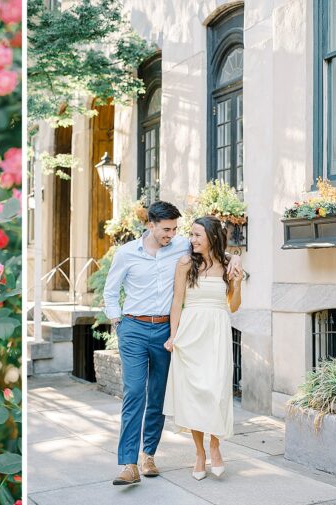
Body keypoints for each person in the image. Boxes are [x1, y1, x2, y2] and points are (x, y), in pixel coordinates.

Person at [102, 201, 243, 486]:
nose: (172, 234)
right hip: (134, 327)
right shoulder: (127, 253)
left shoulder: (180, 247)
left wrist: (234, 258)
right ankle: (129, 464)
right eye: (166, 229)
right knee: (134, 394)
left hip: (165, 327)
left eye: (175, 229)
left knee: (157, 396)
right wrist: (119, 322)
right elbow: (110, 290)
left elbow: (213, 249)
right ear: (150, 225)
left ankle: (149, 456)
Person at [162, 216, 243, 480]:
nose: (192, 240)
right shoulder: (185, 263)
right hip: (190, 333)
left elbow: (232, 306)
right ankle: (199, 453)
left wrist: (238, 283)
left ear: (211, 236)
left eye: (198, 235)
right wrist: (173, 336)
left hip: (217, 332)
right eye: (191, 235)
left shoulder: (228, 264)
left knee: (216, 391)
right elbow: (177, 302)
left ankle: (216, 446)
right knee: (194, 395)